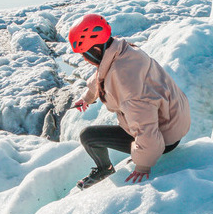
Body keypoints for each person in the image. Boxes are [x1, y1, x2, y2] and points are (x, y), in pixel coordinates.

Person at [68, 13, 190, 190]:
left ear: (95, 50)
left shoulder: (126, 81)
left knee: (88, 136)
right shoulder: (122, 50)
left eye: (84, 54)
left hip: (165, 138)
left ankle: (105, 169)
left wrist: (143, 164)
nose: (85, 60)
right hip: (173, 119)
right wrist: (87, 97)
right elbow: (102, 74)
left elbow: (145, 124)